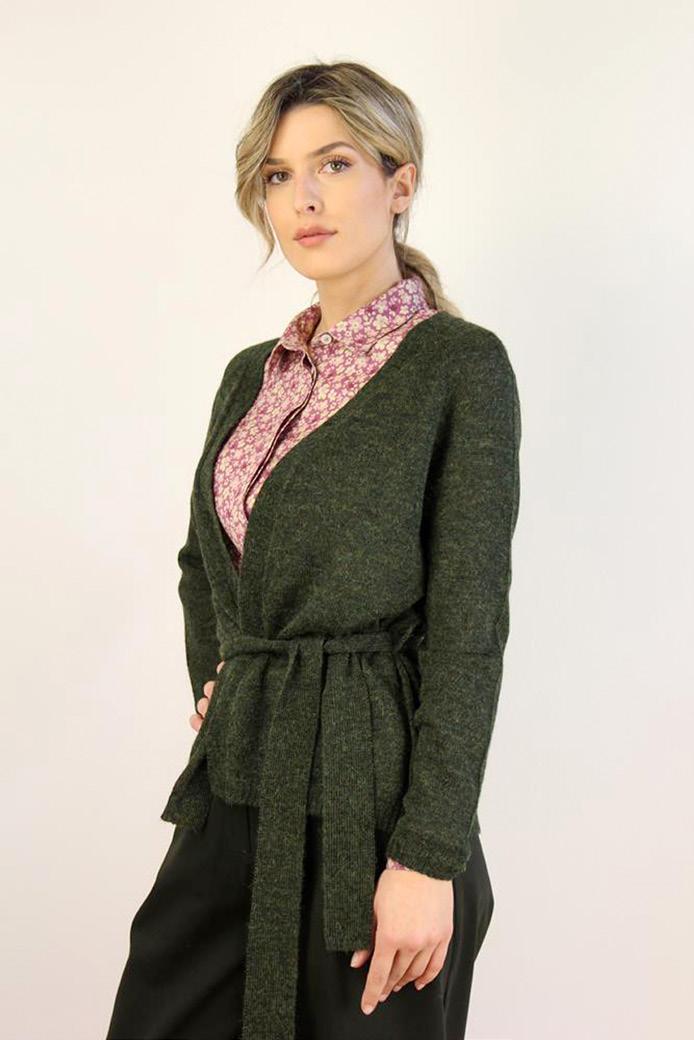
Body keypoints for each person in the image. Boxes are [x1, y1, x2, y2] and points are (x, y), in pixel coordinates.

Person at [106, 59, 521, 1040]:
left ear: (399, 183)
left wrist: (426, 857)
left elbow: (468, 626)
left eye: (334, 164)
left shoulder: (458, 368)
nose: (304, 198)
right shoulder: (249, 375)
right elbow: (201, 561)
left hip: (372, 811)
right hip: (235, 787)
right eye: (279, 175)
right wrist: (222, 679)